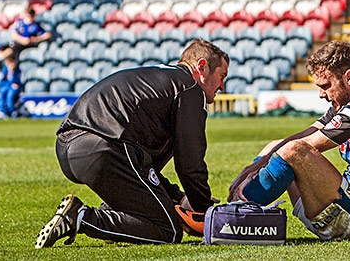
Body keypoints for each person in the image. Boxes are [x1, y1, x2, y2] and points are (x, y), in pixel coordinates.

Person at [35, 39, 229, 248]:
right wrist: (206, 212)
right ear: (202, 67)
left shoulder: (161, 80)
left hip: (69, 147)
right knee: (168, 230)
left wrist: (177, 198)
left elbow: (144, 170)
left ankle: (107, 219)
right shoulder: (190, 88)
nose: (222, 86)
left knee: (145, 208)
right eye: (221, 76)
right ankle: (82, 218)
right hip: (104, 145)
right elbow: (190, 161)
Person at [228, 40, 350, 241]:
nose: (321, 94)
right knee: (275, 146)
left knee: (294, 150)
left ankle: (233, 217)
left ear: (349, 78)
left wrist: (254, 171)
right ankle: (238, 209)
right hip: (345, 207)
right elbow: (304, 135)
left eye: (326, 86)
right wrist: (253, 167)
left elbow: (304, 146)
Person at [0, 54, 23, 118]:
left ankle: (12, 111)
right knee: (1, 94)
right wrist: (10, 71)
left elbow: (19, 81)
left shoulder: (18, 70)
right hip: (6, 86)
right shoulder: (5, 69)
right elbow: (1, 80)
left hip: (14, 87)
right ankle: (2, 111)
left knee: (10, 96)